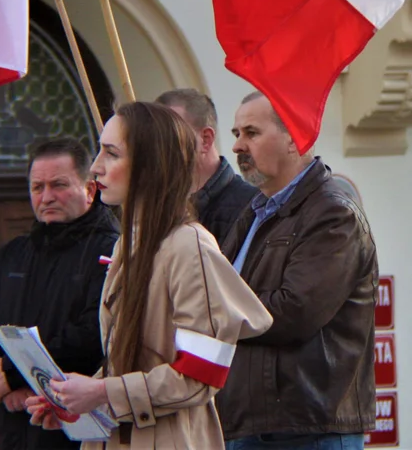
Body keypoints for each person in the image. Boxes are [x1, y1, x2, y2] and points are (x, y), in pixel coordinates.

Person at [27, 102, 272, 449]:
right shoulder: (128, 244)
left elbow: (200, 375)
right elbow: (128, 365)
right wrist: (75, 403)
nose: (96, 167)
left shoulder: (190, 246)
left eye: (111, 154)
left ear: (150, 167)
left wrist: (100, 392)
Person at [217, 92, 378, 450]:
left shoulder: (333, 213)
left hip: (307, 428)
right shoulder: (255, 212)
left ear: (294, 136)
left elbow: (295, 311)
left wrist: (213, 311)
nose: (238, 146)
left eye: (251, 133)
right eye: (236, 133)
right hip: (249, 423)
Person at [0, 137, 119, 450]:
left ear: (90, 189)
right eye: (37, 187)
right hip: (14, 426)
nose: (47, 196)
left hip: (78, 428)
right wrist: (2, 386)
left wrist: (15, 374)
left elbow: (95, 333)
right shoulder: (14, 254)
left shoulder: (113, 251)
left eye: (59, 185)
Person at [157, 88, 257, 245]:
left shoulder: (252, 207)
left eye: (168, 134)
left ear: (205, 139)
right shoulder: (161, 209)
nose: (157, 146)